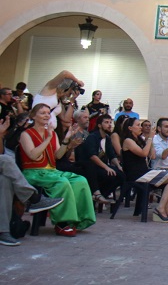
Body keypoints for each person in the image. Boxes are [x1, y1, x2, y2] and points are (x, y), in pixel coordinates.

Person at [18, 103, 96, 236]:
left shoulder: (52, 134)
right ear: (33, 116)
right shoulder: (26, 134)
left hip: (51, 171)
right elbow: (32, 155)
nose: (46, 115)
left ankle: (79, 219)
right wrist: (47, 138)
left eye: (48, 113)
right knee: (62, 182)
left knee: (80, 180)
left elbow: (57, 156)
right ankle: (63, 222)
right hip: (34, 172)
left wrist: (66, 140)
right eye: (42, 113)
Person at [0, 115, 64, 246]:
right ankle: (33, 198)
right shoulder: (26, 134)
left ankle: (3, 231)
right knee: (6, 159)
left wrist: (0, 135)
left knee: (5, 180)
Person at [120, 116, 168, 222]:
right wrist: (150, 138)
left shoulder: (139, 140)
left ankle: (165, 208)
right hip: (137, 174)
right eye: (137, 125)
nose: (140, 127)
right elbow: (143, 153)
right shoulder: (128, 141)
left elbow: (152, 156)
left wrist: (151, 141)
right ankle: (160, 209)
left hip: (145, 172)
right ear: (130, 128)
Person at [76, 113, 125, 206]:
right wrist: (107, 167)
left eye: (110, 122)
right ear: (99, 125)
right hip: (88, 166)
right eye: (106, 122)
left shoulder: (107, 138)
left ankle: (102, 195)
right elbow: (92, 156)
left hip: (100, 166)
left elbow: (112, 155)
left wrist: (119, 166)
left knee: (121, 175)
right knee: (109, 173)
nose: (109, 125)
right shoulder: (92, 137)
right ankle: (96, 194)